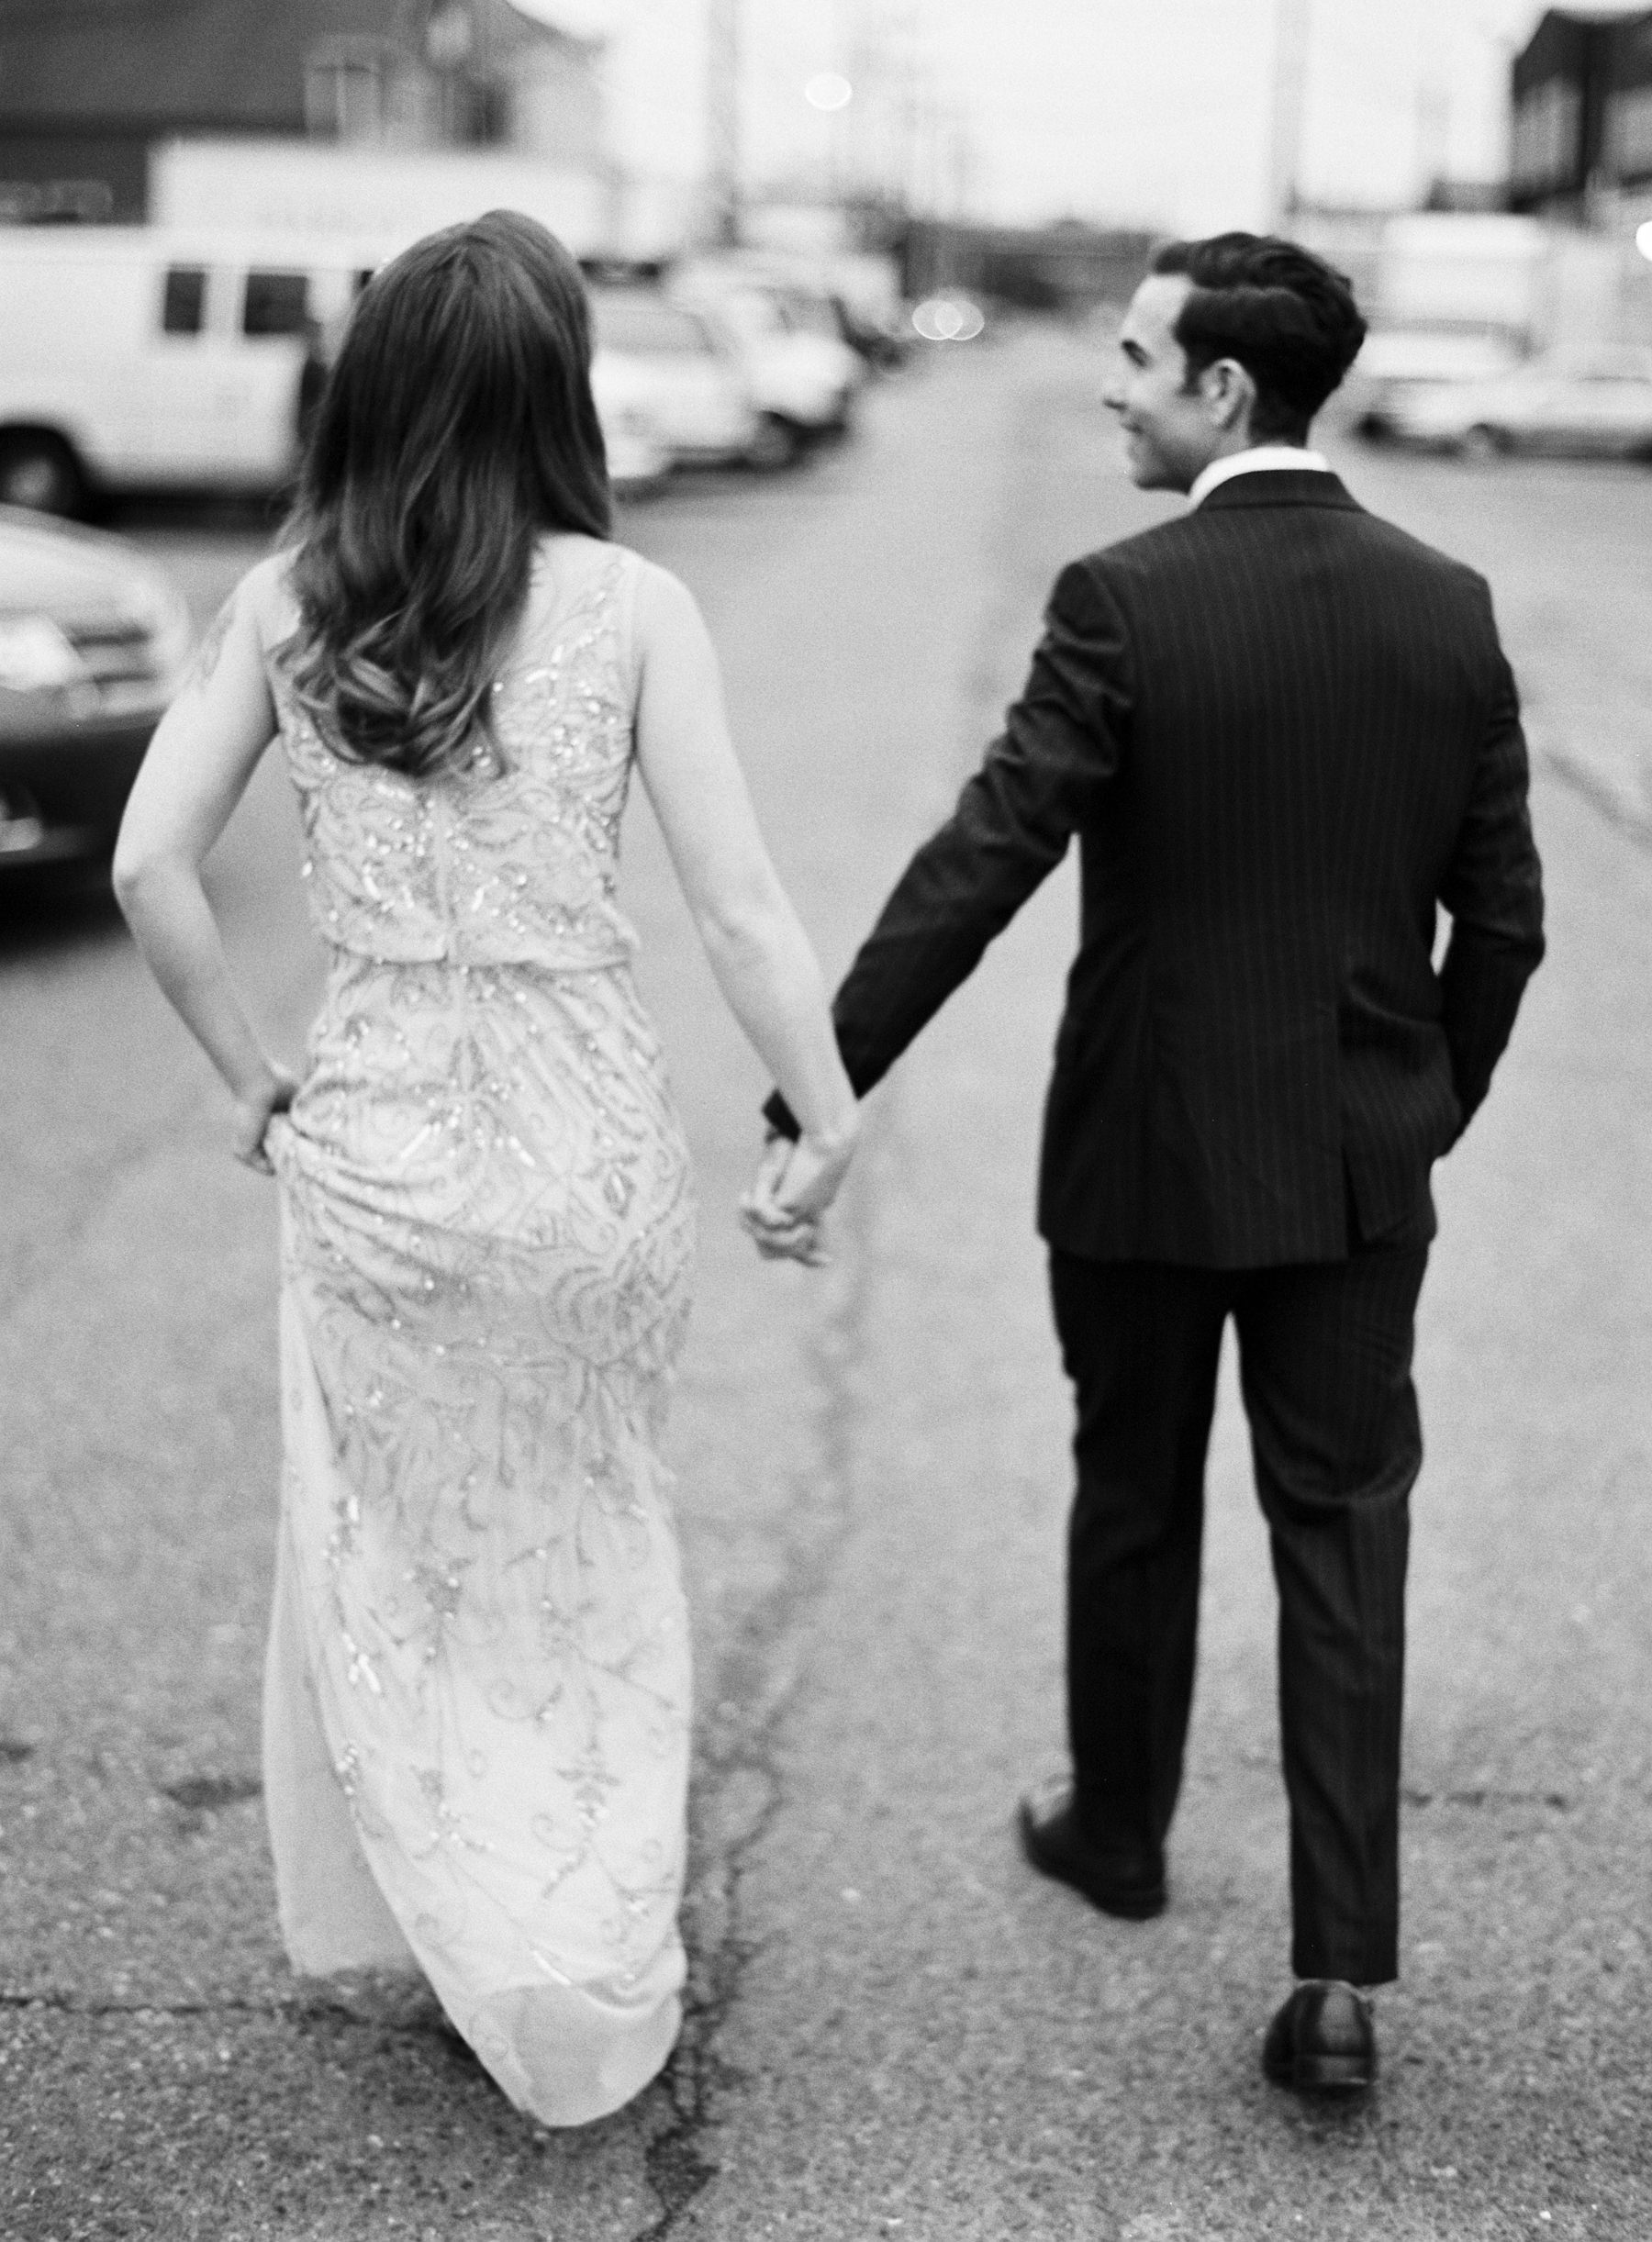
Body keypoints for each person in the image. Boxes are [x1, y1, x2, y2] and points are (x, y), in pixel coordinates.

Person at [751, 233, 1546, 2091]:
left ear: (1222, 395)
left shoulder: (1126, 599)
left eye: (1132, 355)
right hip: (1359, 1165)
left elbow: (983, 859)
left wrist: (819, 1087)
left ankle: (1119, 1834)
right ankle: (1337, 1980)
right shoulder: (1451, 606)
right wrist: (1423, 1108)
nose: (1107, 381)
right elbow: (1500, 926)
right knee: (1345, 1533)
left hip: (1144, 1155)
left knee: (1135, 1492)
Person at [113, 210, 857, 2127]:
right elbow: (742, 905)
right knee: (584, 1540)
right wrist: (824, 1109)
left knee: (402, 1562)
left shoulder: (290, 599)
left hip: (374, 1153)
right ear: (558, 394)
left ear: (367, 394)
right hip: (583, 1151)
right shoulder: (628, 604)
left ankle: (454, 1918)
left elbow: (146, 866)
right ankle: (577, 1945)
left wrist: (252, 1080)